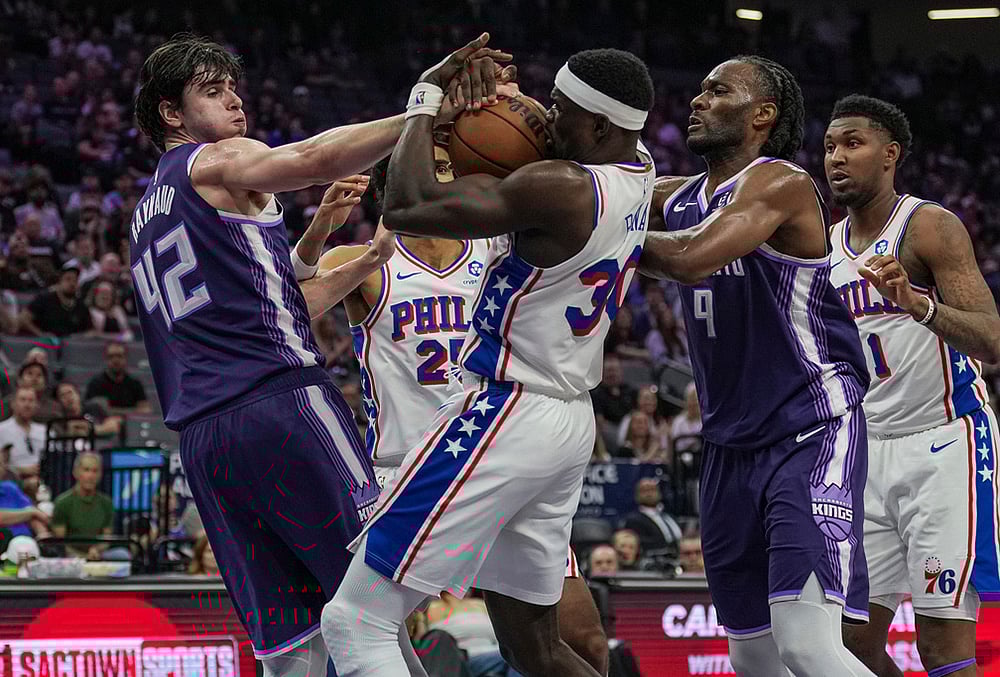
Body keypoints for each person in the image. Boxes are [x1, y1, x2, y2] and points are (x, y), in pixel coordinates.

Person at [129, 31, 504, 672]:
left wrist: (363, 260)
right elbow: (311, 157)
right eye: (212, 92)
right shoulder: (213, 161)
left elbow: (277, 305)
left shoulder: (144, 214)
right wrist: (423, 107)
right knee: (371, 612)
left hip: (203, 440)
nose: (236, 104)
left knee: (289, 649)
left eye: (234, 89)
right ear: (171, 113)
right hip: (282, 405)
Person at [322, 44, 654, 677]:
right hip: (564, 423)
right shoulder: (636, 169)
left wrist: (426, 97)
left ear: (601, 126)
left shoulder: (558, 185)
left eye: (559, 110)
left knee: (355, 620)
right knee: (533, 649)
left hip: (505, 411)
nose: (545, 119)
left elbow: (406, 205)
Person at [639, 56, 873, 675]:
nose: (697, 99)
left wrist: (598, 230)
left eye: (718, 91)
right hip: (728, 443)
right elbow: (596, 193)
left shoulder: (782, 182)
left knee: (807, 645)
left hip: (810, 426)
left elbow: (691, 258)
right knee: (751, 657)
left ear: (761, 115)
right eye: (699, 87)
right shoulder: (681, 196)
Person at [825, 95, 1000, 677]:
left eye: (853, 144)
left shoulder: (928, 227)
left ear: (889, 154)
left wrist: (919, 305)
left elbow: (991, 341)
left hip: (944, 442)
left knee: (942, 649)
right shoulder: (823, 250)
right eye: (829, 147)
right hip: (866, 453)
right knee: (850, 646)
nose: (837, 158)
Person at [51, 451, 114, 560]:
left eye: (95, 471)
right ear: (75, 472)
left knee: (122, 554)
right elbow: (60, 544)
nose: (91, 476)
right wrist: (83, 557)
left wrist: (96, 550)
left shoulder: (107, 503)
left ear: (100, 475)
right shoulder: (63, 503)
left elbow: (106, 539)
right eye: (86, 470)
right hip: (71, 557)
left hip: (98, 554)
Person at [19, 265, 93, 337]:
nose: (72, 284)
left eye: (75, 280)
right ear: (59, 282)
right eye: (68, 279)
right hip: (45, 344)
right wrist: (40, 334)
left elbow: (90, 329)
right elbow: (24, 319)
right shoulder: (44, 299)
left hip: (71, 345)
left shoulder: (81, 305)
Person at [621, 477, 683, 556]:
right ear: (637, 495)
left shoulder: (669, 517)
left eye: (652, 490)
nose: (649, 493)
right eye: (644, 491)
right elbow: (643, 544)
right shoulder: (634, 520)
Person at [84, 341, 149, 411]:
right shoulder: (95, 384)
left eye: (119, 356)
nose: (115, 360)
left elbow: (145, 410)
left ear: (125, 358)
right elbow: (89, 410)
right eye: (111, 356)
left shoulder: (135, 384)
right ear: (106, 359)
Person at [0, 387, 47, 479]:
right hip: (12, 479)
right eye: (22, 400)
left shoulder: (45, 431)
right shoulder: (1, 430)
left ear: (36, 405)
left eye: (31, 401)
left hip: (43, 477)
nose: (27, 404)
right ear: (13, 404)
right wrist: (21, 470)